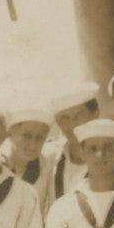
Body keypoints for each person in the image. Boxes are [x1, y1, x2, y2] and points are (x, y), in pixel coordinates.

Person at [40, 82, 102, 210]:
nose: (72, 123)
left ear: (95, 114)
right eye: (64, 118)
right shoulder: (49, 159)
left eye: (78, 115)